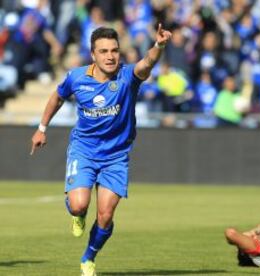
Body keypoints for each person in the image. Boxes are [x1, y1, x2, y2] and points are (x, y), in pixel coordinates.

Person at [30, 24, 172, 276]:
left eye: (114, 50)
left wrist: (159, 45)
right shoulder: (76, 78)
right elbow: (57, 97)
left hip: (116, 156)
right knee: (78, 205)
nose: (110, 56)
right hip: (84, 150)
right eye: (104, 51)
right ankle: (77, 213)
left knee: (105, 215)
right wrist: (42, 128)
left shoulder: (127, 77)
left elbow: (147, 63)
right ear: (93, 54)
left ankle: (88, 258)